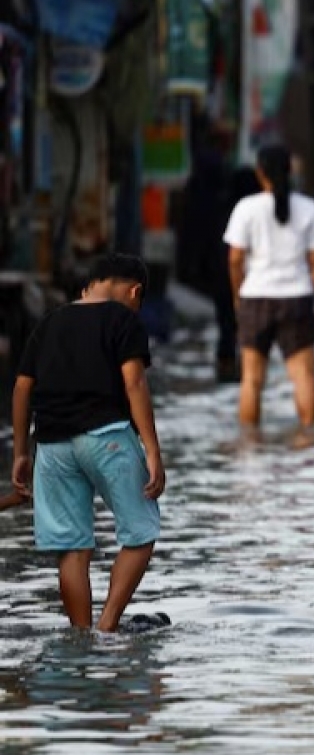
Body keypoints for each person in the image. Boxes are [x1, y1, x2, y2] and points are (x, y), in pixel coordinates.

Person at [10, 254, 167, 632]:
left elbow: (21, 389)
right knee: (142, 533)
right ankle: (107, 626)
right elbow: (134, 383)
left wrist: (20, 453)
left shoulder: (49, 321)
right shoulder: (123, 319)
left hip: (52, 445)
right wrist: (152, 450)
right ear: (135, 291)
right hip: (107, 437)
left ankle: (81, 637)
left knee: (72, 548)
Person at [224, 145, 314, 428]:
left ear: (260, 172)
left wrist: (238, 297)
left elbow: (235, 259)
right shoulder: (310, 208)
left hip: (255, 297)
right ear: (290, 171)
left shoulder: (245, 209)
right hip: (297, 297)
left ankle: (250, 448)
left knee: (252, 379)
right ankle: (309, 443)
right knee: (304, 376)